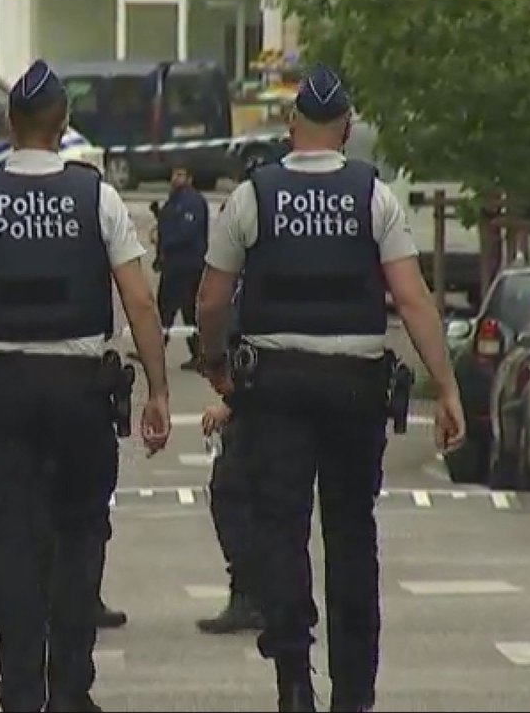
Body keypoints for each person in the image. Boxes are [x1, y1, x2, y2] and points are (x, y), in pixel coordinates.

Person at [195, 64, 465, 712]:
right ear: (344, 129)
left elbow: (211, 298)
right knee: (350, 534)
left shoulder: (254, 195)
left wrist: (217, 367)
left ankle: (292, 674)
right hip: (353, 385)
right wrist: (447, 387)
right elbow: (412, 298)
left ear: (293, 126)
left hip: (277, 385)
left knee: (282, 528)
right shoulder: (373, 196)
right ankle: (355, 692)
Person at [0, 59, 171, 713]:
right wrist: (158, 391)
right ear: (63, 125)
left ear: (10, 124)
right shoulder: (98, 197)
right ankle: (71, 692)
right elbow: (141, 303)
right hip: (79, 391)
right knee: (80, 537)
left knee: (10, 543)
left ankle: (20, 692)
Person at [196, 280, 263, 635]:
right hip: (264, 397)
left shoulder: (258, 272)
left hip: (258, 402)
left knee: (232, 492)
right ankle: (263, 595)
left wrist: (231, 400)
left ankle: (250, 596)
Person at [153, 165, 210, 370]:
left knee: (186, 311)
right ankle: (156, 351)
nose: (176, 178)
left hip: (187, 265)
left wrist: (167, 242)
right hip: (173, 264)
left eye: (181, 174)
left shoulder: (191, 201)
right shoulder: (173, 200)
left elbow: (187, 231)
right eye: (174, 174)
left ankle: (199, 355)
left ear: (190, 178)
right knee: (166, 310)